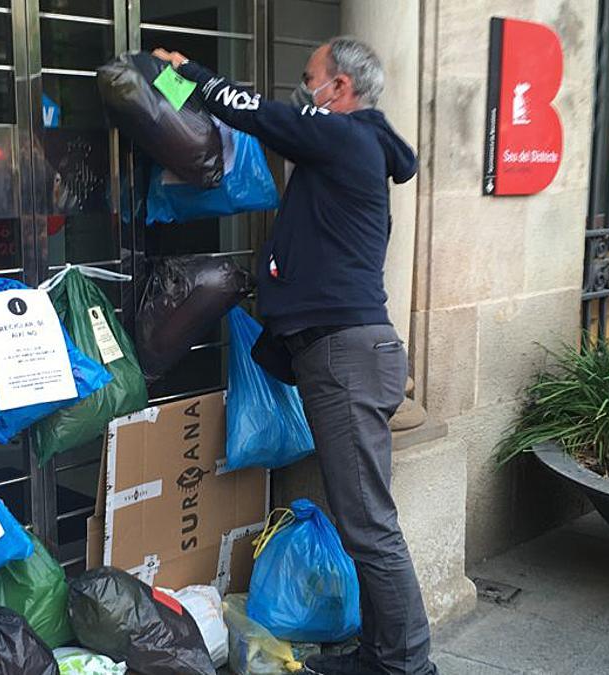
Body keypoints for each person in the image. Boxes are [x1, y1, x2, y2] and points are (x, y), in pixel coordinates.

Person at [152, 37, 436, 675]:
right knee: (367, 520)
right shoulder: (354, 152)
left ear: (338, 88)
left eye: (308, 78)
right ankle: (387, 653)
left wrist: (179, 77)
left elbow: (250, 110)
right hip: (347, 354)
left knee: (368, 526)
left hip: (345, 358)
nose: (299, 89)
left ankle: (406, 666)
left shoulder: (346, 136)